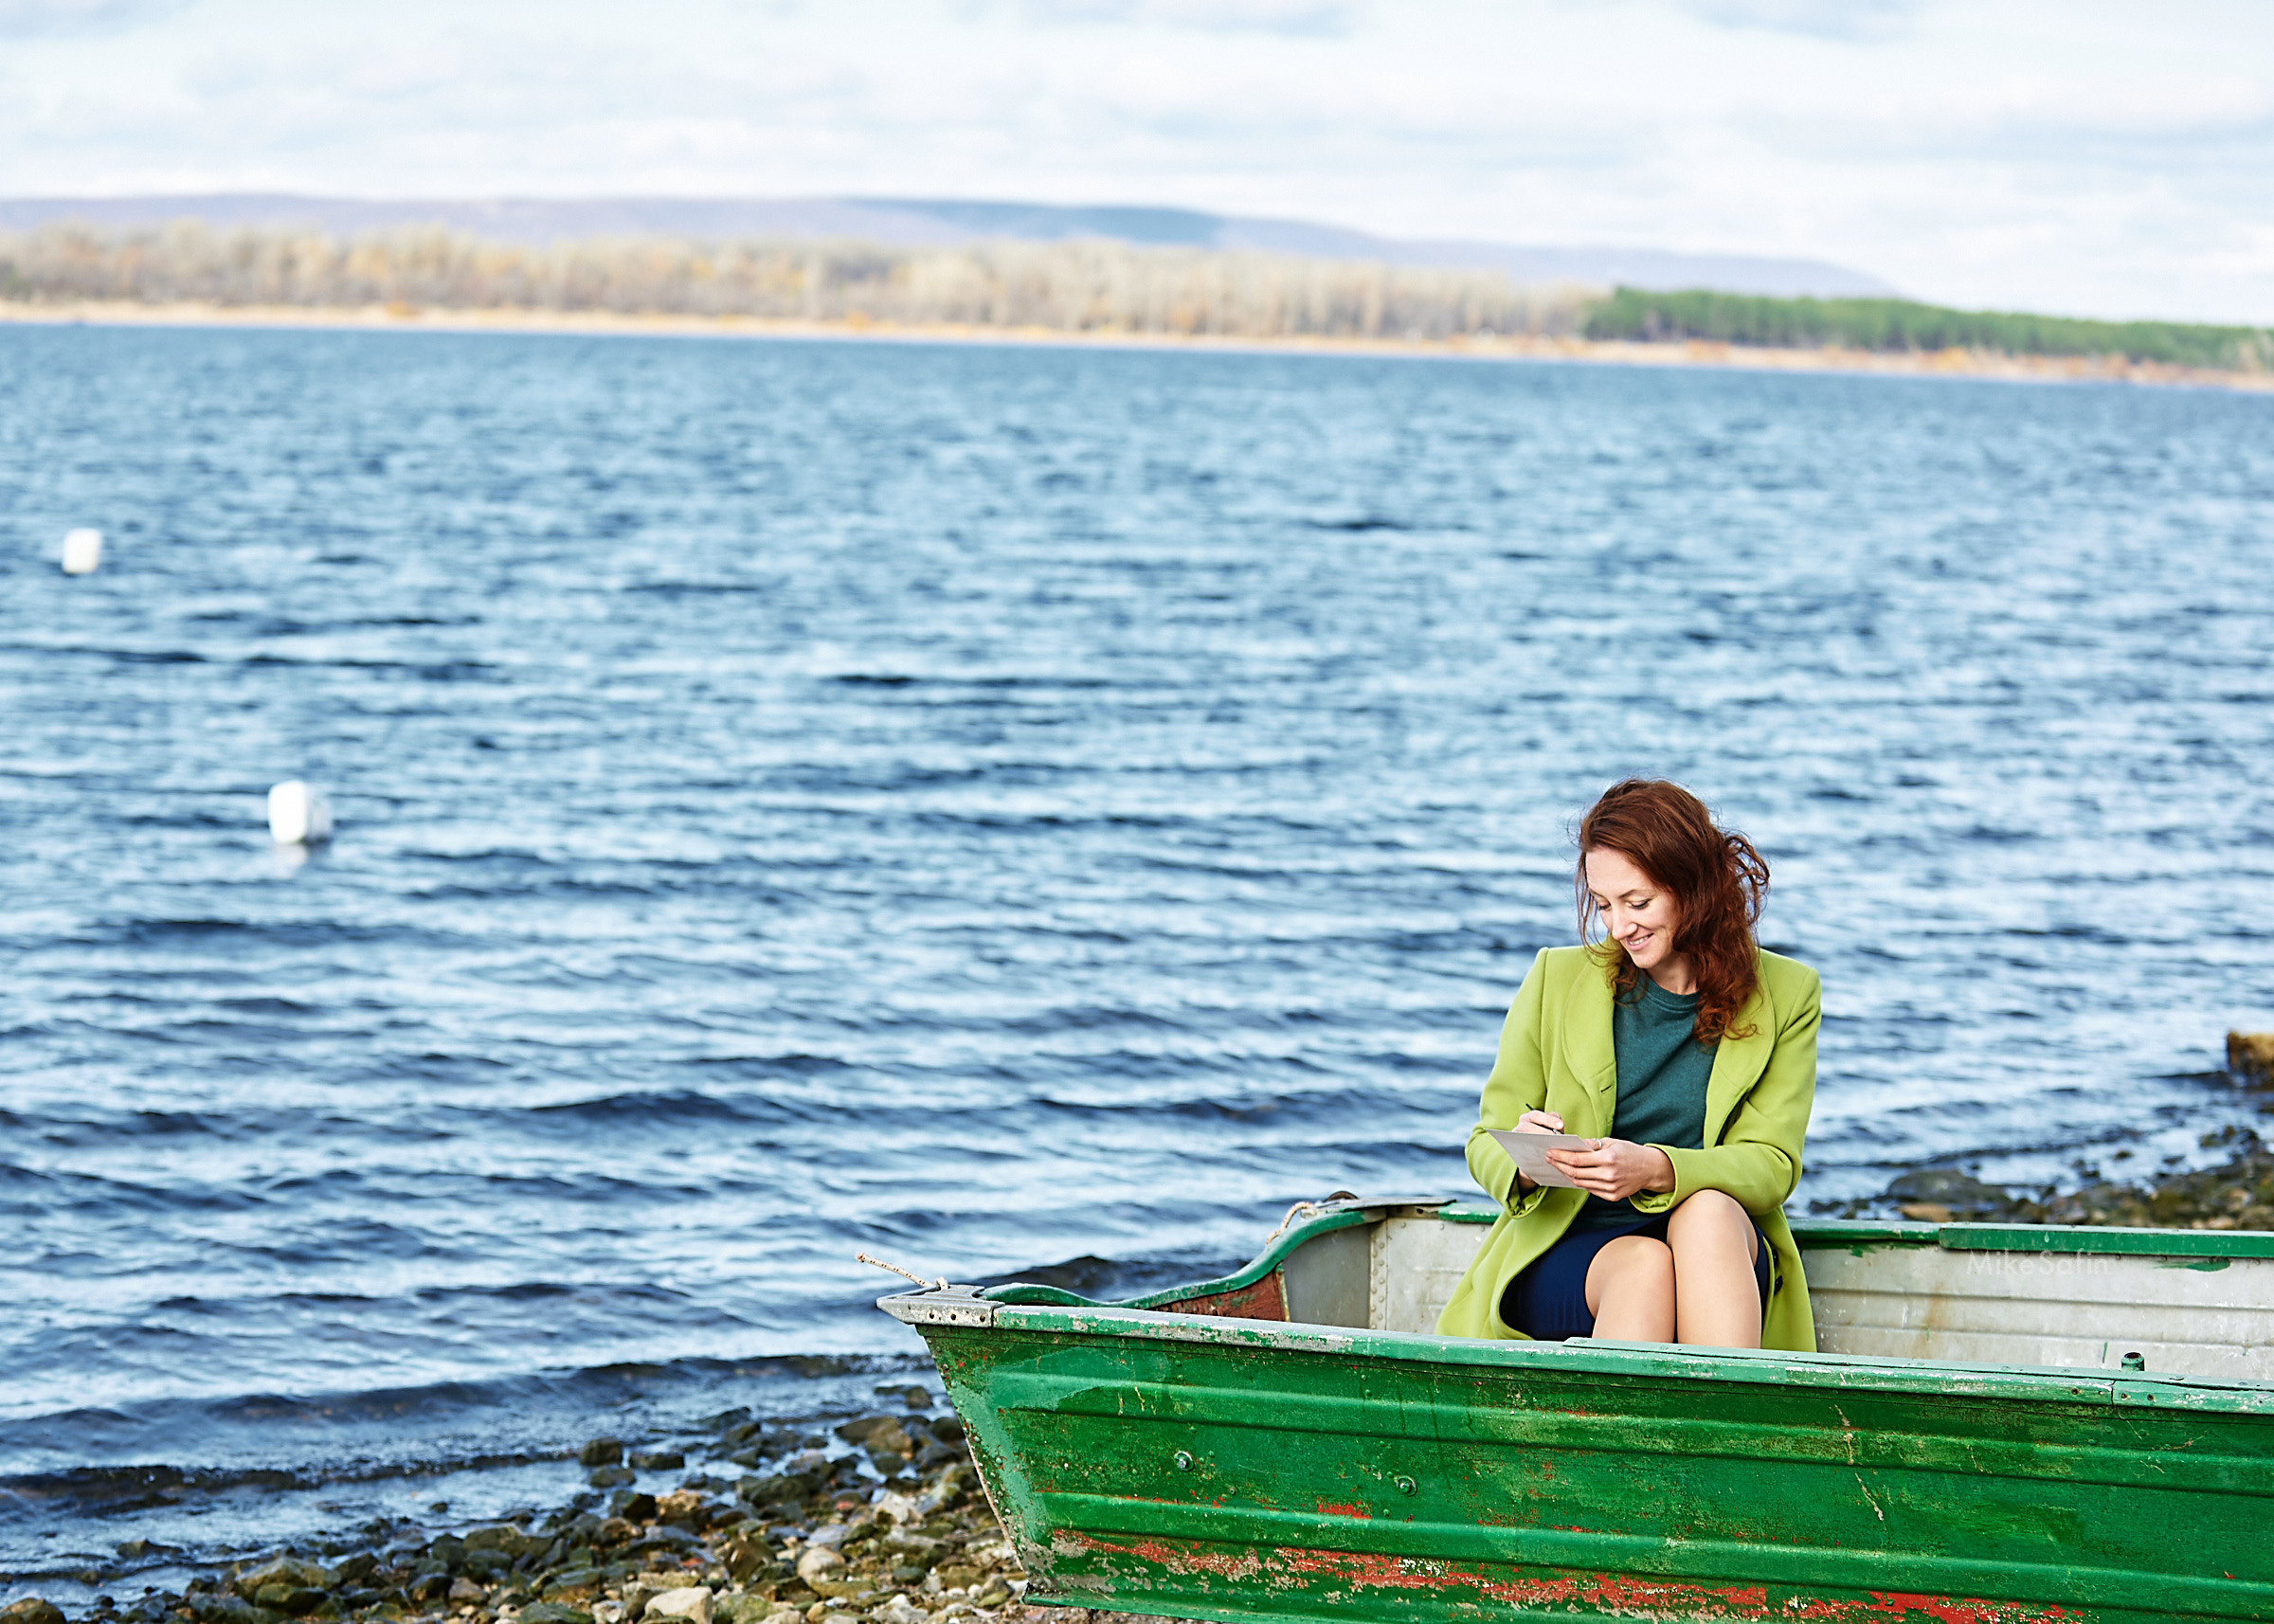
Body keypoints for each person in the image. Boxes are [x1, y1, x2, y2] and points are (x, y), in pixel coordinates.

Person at [1434, 779, 1819, 1350]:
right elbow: (1482, 1142)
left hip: (1714, 1251)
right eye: (1605, 904)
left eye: (1637, 903)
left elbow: (1771, 1167)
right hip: (1573, 1247)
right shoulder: (1554, 978)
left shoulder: (1789, 992)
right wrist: (1521, 1153)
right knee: (1643, 1266)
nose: (1618, 927)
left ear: (1697, 886)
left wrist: (1656, 1168)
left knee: (1708, 1212)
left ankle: (1718, 1430)